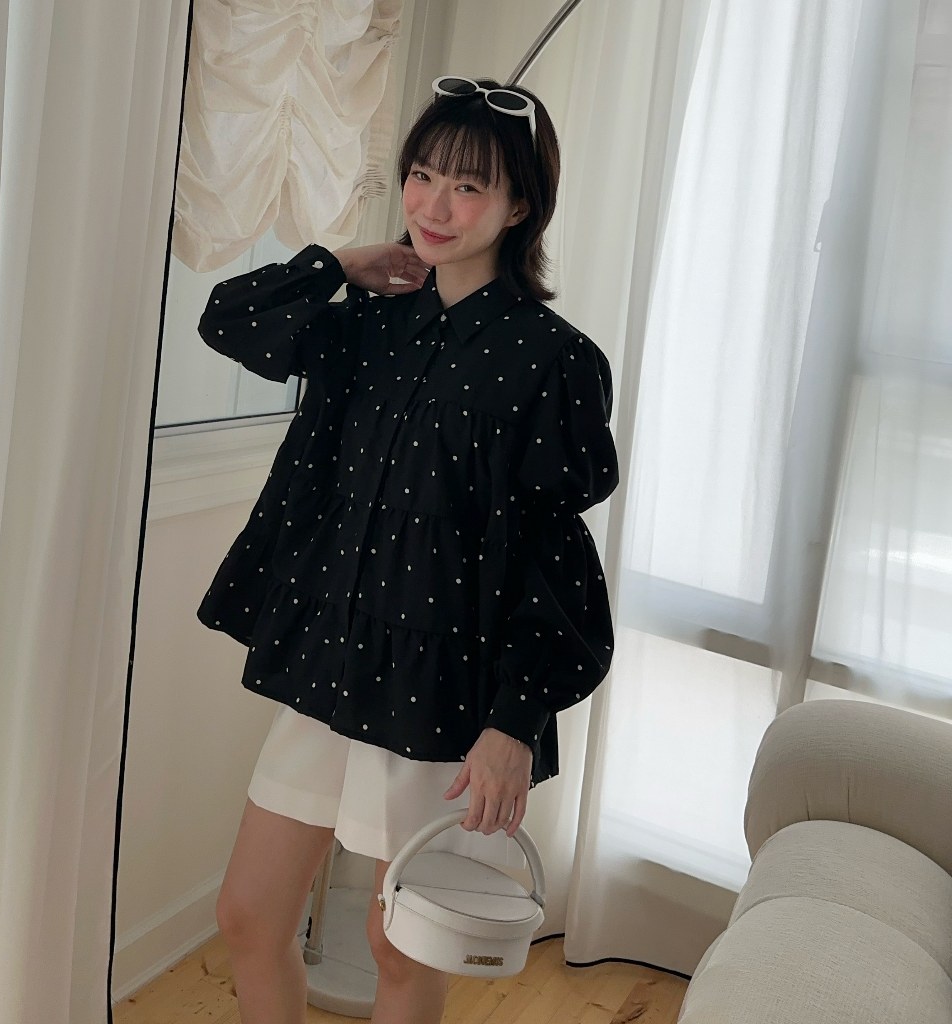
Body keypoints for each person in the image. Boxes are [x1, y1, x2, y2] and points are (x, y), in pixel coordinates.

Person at [197, 76, 619, 1024]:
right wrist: (341, 263)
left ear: (520, 206)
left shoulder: (552, 361)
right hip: (330, 664)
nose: (434, 204)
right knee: (248, 916)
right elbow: (229, 318)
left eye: (468, 187)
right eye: (422, 175)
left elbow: (555, 562)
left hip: (444, 690)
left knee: (402, 946)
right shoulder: (366, 324)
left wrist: (514, 724)